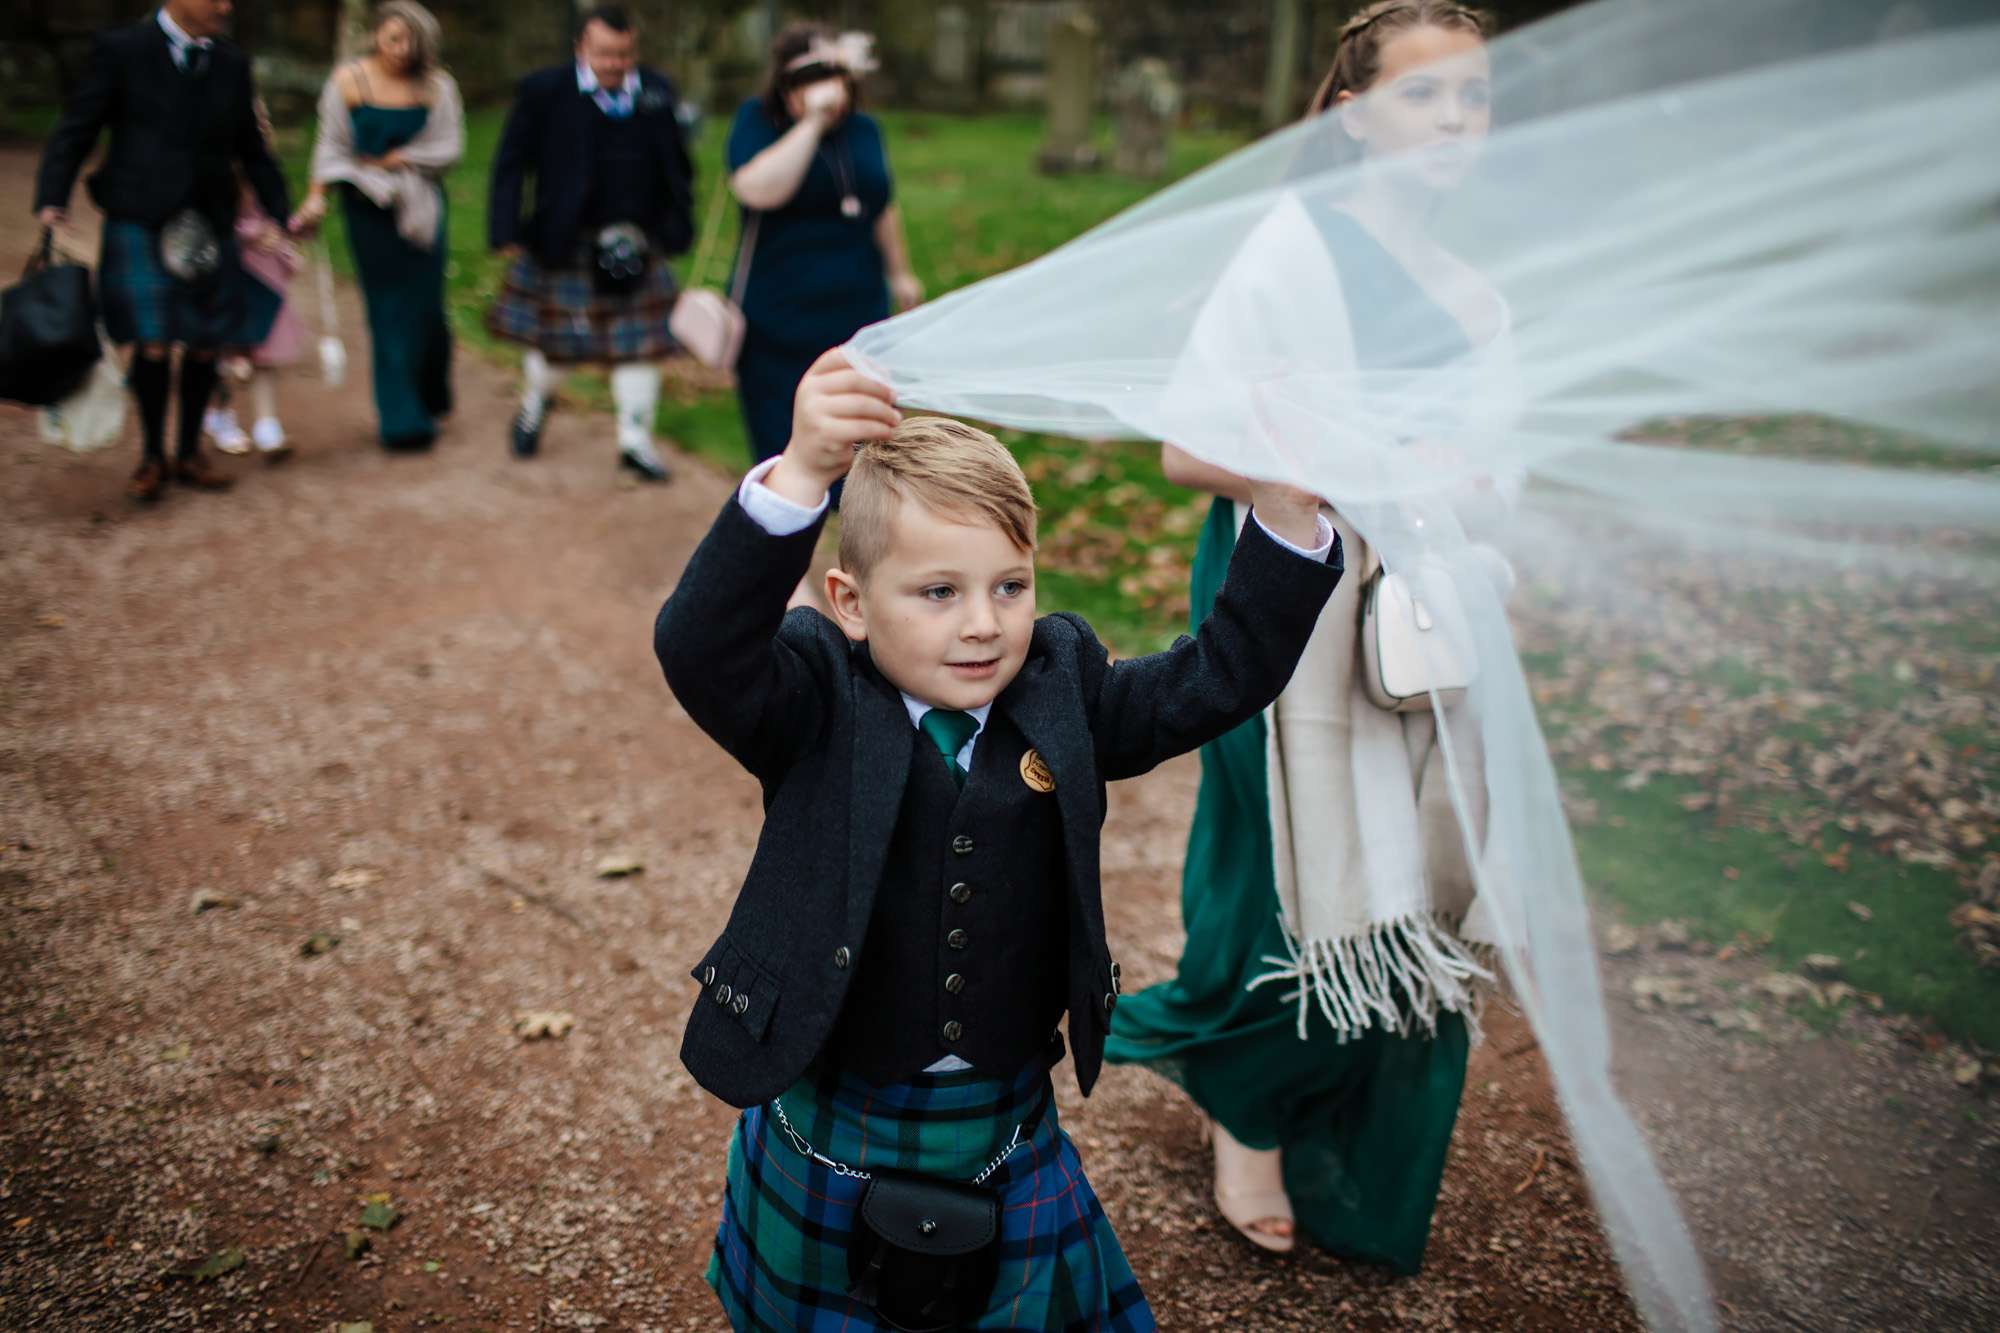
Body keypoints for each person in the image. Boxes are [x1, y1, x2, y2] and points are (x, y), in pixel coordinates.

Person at [653, 348, 1343, 1328]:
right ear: (850, 602)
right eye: (937, 593)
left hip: (1002, 1114)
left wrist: (1281, 507)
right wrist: (800, 474)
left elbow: (1222, 673)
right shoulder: (810, 696)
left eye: (1008, 587)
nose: (982, 624)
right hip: (836, 1095)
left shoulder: (1065, 688)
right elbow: (697, 645)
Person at [1103, 0, 1504, 1271]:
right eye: (1422, 95)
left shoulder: (1471, 286)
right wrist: (1358, 462)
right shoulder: (1289, 248)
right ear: (1349, 114)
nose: (1451, 121)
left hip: (1422, 607)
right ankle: (1246, 1110)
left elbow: (1496, 459)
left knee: (1413, 880)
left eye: (1473, 98)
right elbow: (1184, 449)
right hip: (1282, 589)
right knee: (1272, 869)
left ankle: (1356, 1132)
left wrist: (1465, 482)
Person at [32, 0, 291, 501]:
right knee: (152, 340)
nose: (225, 6)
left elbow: (251, 149)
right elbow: (78, 126)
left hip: (209, 219)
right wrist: (51, 197)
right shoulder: (122, 50)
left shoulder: (231, 62)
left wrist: (280, 211)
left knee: (204, 340)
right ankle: (152, 455)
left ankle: (190, 451)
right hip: (141, 215)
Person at [486, 4, 694, 482]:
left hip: (639, 241)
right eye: (604, 53)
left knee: (641, 348)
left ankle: (635, 443)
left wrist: (677, 227)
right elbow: (511, 163)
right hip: (564, 241)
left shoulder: (657, 91)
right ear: (581, 46)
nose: (615, 64)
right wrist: (505, 231)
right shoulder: (545, 91)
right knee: (556, 346)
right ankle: (535, 405)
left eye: (623, 54)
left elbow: (677, 168)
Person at [726, 24, 923, 471]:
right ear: (784, 87)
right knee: (785, 453)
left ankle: (855, 532)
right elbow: (758, 189)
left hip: (856, 309)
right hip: (778, 316)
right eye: (806, 80)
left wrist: (900, 271)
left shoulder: (865, 130)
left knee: (861, 444)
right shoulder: (756, 123)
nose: (824, 91)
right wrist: (811, 124)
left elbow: (881, 203)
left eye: (832, 77)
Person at [291, 0, 462, 453]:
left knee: (427, 309)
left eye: (409, 42)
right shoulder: (349, 80)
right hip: (368, 208)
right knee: (387, 309)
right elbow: (330, 146)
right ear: (377, 37)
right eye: (391, 39)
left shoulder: (438, 86)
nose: (399, 50)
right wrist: (316, 197)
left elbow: (450, 146)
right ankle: (402, 420)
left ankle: (431, 395)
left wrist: (400, 159)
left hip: (422, 204)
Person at [208, 102, 305, 461]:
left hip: (268, 271)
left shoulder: (266, 170)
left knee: (266, 350)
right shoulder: (218, 171)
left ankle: (267, 426)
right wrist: (250, 234)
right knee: (228, 352)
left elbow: (279, 214)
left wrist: (297, 226)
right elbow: (213, 222)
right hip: (232, 271)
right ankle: (220, 415)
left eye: (264, 120)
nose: (261, 127)